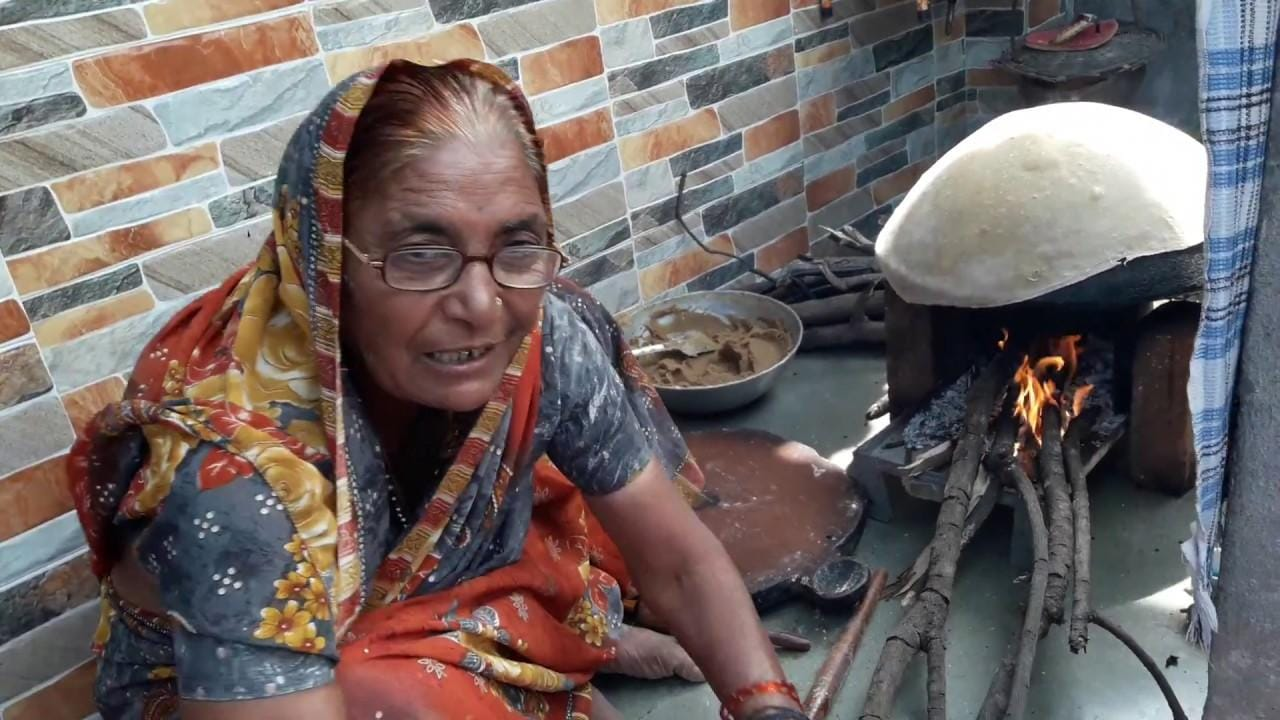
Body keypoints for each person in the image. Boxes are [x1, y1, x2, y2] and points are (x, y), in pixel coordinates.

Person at [70, 59, 809, 720]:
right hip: (241, 686)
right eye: (421, 255)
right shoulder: (244, 477)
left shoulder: (541, 335)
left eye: (519, 245)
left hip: (424, 615)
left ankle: (549, 659)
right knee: (386, 691)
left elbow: (678, 561)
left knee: (569, 506)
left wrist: (768, 707)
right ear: (327, 261)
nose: (483, 306)